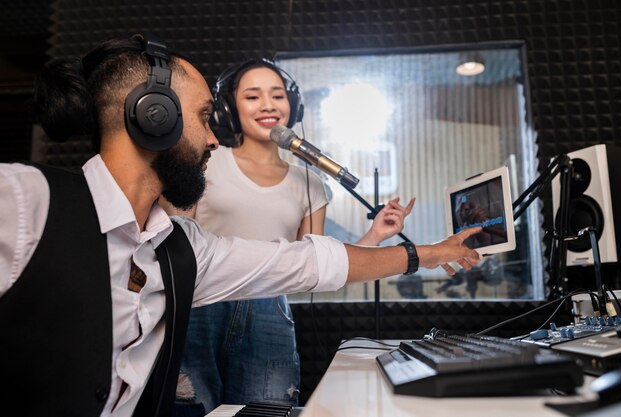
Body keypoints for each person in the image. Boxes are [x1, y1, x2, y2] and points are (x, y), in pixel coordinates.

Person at [0, 34, 481, 417]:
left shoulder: (185, 252)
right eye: (206, 116)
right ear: (154, 116)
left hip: (265, 313)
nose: (213, 136)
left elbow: (308, 260)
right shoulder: (25, 200)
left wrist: (431, 252)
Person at [170, 59, 416, 415]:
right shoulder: (208, 161)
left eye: (277, 96)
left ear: (292, 106)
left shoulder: (310, 183)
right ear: (229, 109)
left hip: (270, 311)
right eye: (253, 96)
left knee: (268, 411)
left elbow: (315, 265)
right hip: (201, 305)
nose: (268, 105)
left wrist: (376, 234)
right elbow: (180, 243)